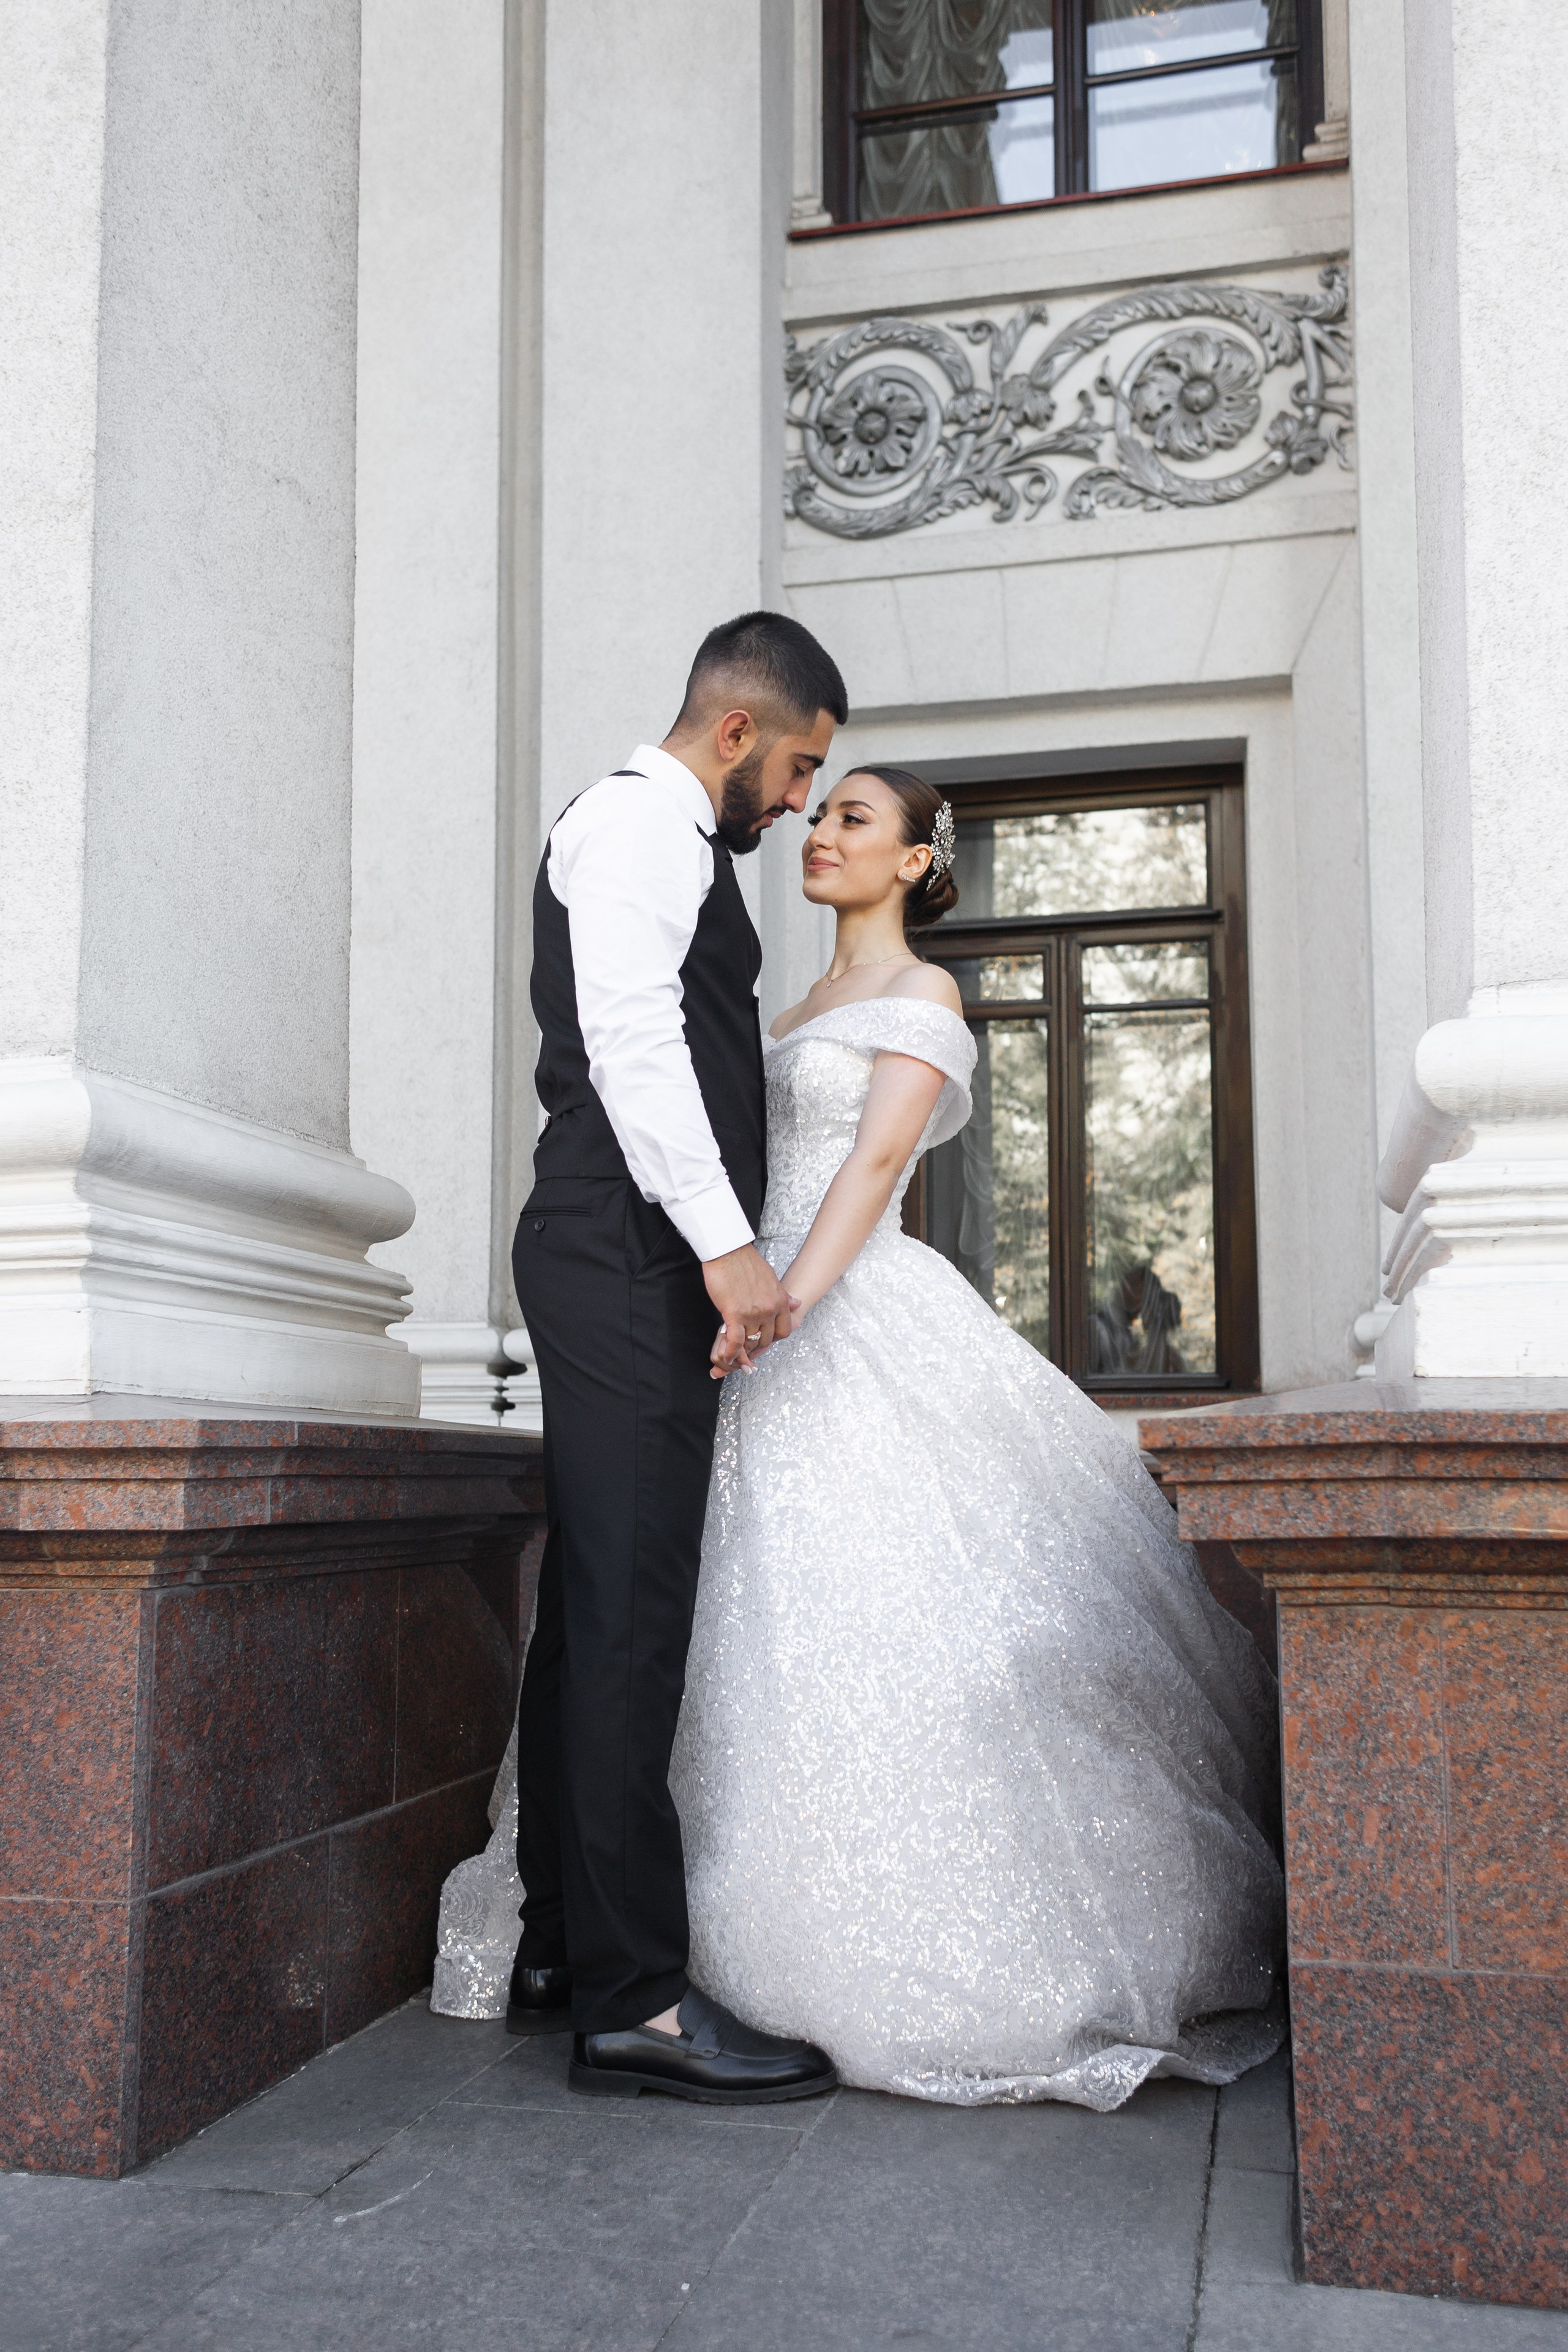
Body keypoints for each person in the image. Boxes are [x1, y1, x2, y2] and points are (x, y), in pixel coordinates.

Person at [669, 764, 1286, 2111]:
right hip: (752, 1310)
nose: (820, 831)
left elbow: (872, 1165)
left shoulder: (924, 994)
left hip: (838, 1302)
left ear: (912, 862)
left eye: (853, 818)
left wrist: (785, 1305)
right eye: (819, 811)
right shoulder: (789, 1007)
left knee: (911, 1613)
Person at [503, 611, 848, 2104]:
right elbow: (635, 1046)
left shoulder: (673, 838)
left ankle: (559, 1948)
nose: (798, 800)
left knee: (599, 1608)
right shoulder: (642, 824)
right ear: (736, 731)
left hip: (617, 1246)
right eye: (799, 766)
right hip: (630, 1248)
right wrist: (725, 1247)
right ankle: (634, 2000)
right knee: (630, 1616)